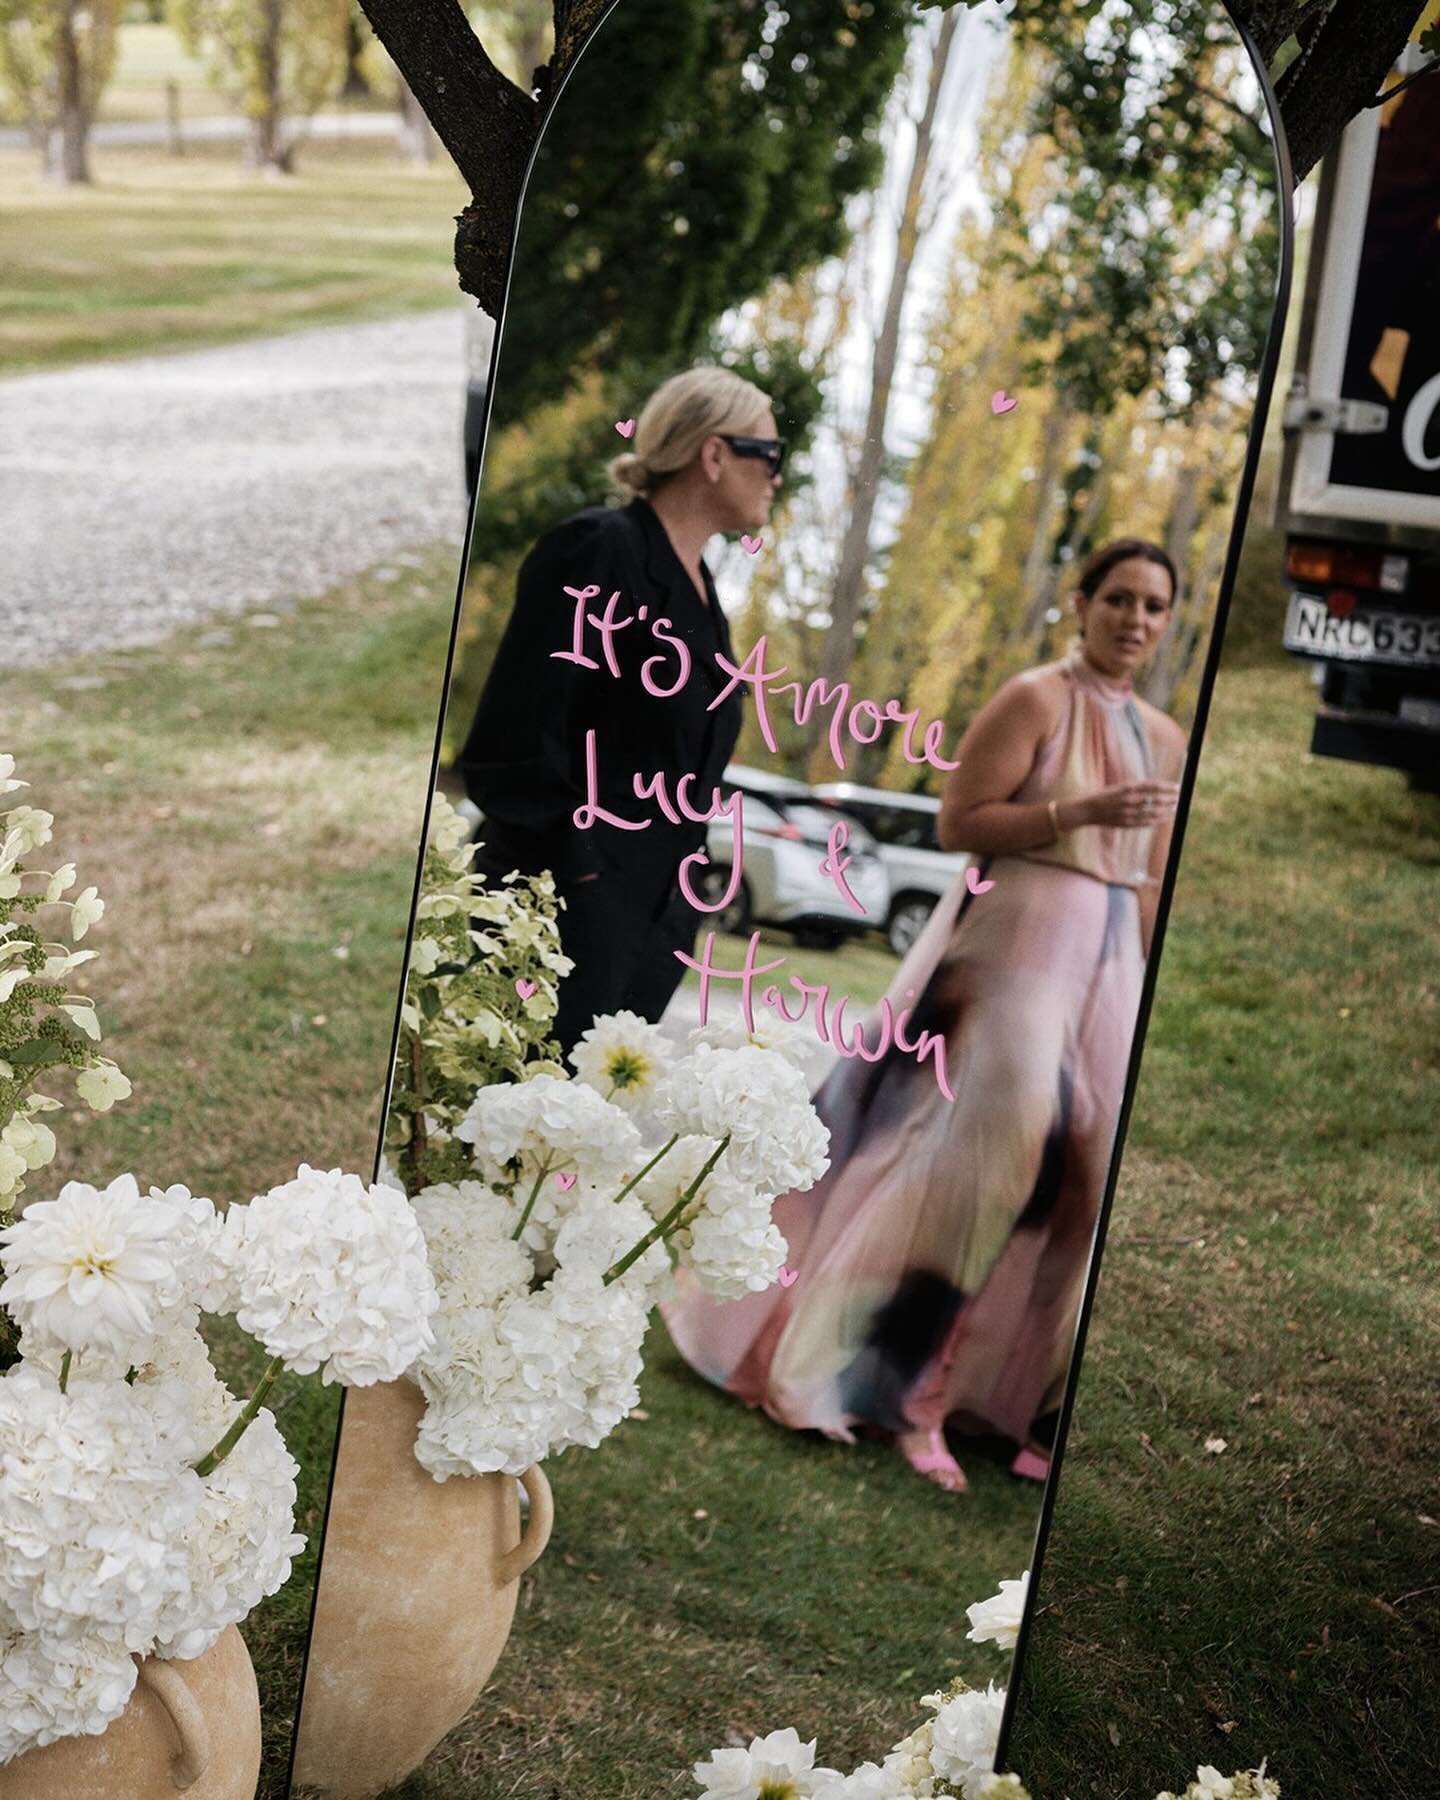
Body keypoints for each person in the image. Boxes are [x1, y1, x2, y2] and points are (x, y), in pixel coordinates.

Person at [663, 538, 1187, 1493]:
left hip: (1108, 966)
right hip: (1013, 954)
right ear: (1082, 603)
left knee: (1082, 1175)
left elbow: (1148, 874)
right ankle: (903, 1392)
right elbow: (959, 822)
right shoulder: (1036, 698)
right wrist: (1080, 811)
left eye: (1155, 606)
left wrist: (1142, 976)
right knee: (992, 1160)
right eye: (1119, 598)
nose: (1136, 620)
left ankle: (1008, 1401)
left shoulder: (1167, 733)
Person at [457, 367, 785, 1053]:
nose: (778, 476)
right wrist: (587, 878)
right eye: (769, 455)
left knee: (573, 1151)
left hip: (648, 936)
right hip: (555, 918)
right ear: (715, 454)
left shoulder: (704, 596)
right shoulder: (599, 548)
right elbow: (514, 743)